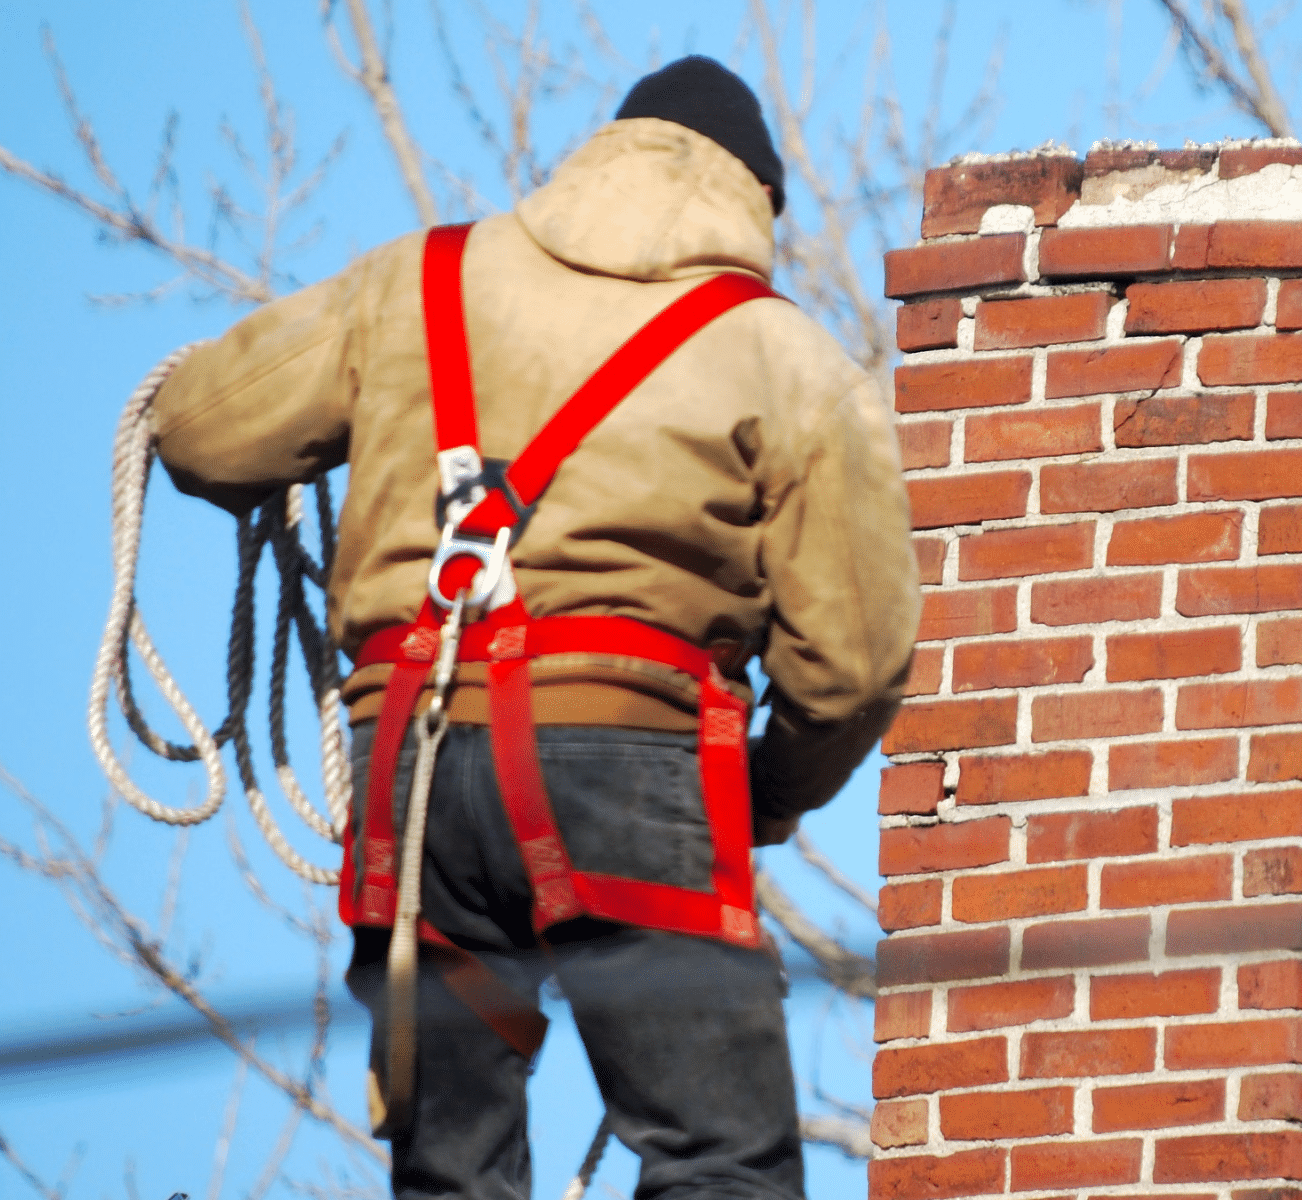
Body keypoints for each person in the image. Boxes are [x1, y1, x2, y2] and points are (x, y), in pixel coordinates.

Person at [150, 56, 919, 1200]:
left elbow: (202, 432)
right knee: (720, 1157)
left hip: (408, 775)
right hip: (627, 759)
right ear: (757, 202)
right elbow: (852, 666)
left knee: (451, 1172)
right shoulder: (785, 356)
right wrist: (767, 795)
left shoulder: (413, 281)